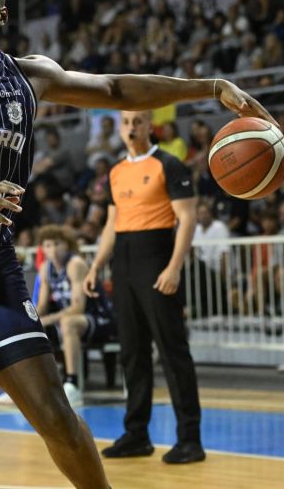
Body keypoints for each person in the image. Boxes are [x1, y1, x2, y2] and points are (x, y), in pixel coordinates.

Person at [0, 0, 272, 488]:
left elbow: (114, 88)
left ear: (0, 16)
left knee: (56, 416)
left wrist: (210, 87)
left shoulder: (28, 78)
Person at [84, 108, 205, 464]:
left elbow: (187, 219)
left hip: (156, 257)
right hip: (122, 261)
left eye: (137, 121)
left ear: (151, 125)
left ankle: (190, 439)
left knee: (172, 350)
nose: (131, 127)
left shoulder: (169, 164)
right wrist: (96, 265)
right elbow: (111, 223)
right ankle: (136, 434)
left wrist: (174, 267)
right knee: (132, 352)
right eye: (125, 122)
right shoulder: (116, 171)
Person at [32, 224, 115, 407]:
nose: (53, 250)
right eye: (47, 245)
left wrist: (47, 320)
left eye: (57, 244)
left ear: (67, 245)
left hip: (99, 319)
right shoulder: (45, 268)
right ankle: (35, 386)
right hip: (69, 320)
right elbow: (42, 305)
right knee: (30, 328)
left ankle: (72, 384)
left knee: (68, 323)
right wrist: (29, 321)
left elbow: (78, 308)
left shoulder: (75, 264)